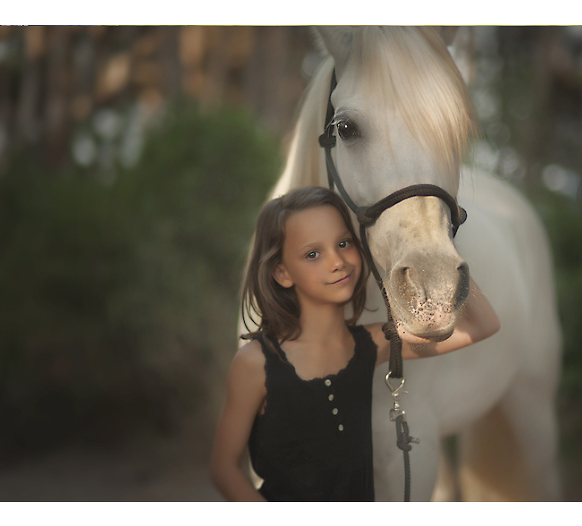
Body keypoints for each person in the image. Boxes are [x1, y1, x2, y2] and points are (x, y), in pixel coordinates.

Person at [209, 186, 500, 501]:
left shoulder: (373, 343)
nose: (337, 261)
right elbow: (224, 468)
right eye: (313, 254)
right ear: (282, 272)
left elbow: (482, 324)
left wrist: (440, 246)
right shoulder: (254, 363)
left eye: (343, 243)